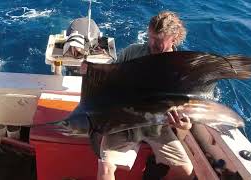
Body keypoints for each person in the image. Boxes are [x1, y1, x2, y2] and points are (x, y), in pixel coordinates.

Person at [81, 11, 194, 180]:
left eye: (159, 40)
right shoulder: (133, 52)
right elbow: (108, 77)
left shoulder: (181, 68)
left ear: (174, 38)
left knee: (186, 171)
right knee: (106, 168)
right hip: (124, 122)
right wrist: (91, 71)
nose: (152, 43)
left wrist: (184, 126)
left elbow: (186, 113)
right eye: (151, 37)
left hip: (157, 127)